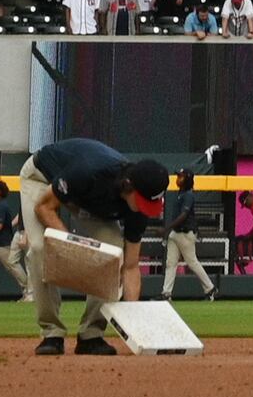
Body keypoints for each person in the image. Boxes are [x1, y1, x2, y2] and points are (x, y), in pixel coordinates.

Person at [17, 135, 168, 355]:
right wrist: (70, 246)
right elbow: (44, 208)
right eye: (145, 201)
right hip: (42, 178)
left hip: (85, 197)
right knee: (41, 249)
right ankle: (52, 334)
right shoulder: (90, 171)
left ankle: (91, 334)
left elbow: (131, 266)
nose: (148, 208)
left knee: (115, 253)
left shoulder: (137, 207)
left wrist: (134, 321)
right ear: (129, 186)